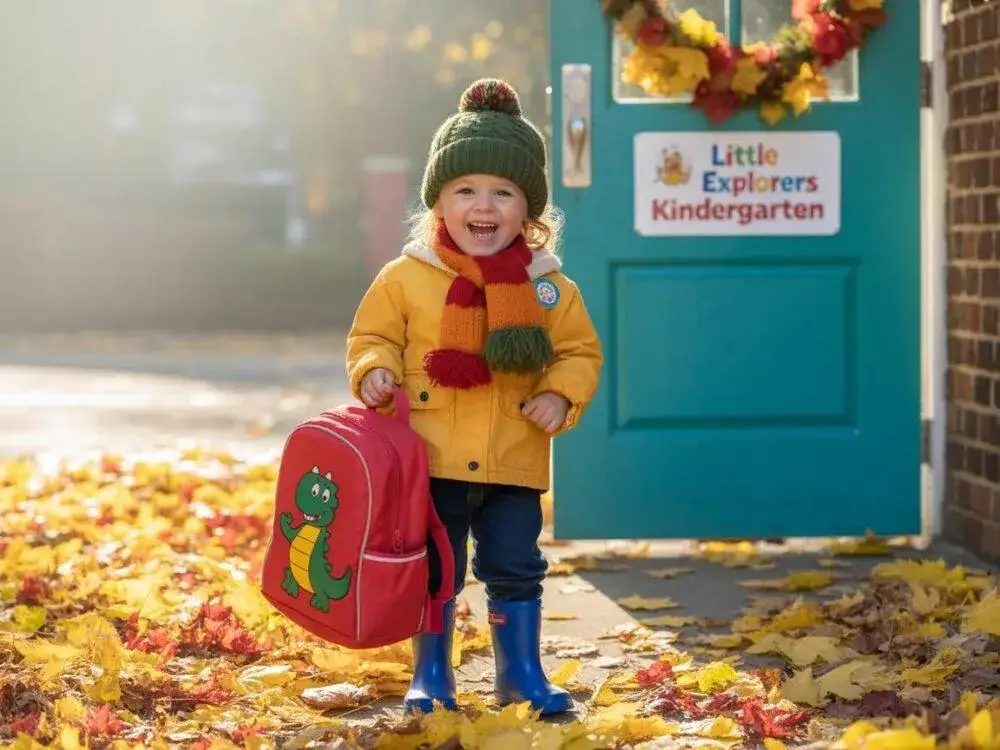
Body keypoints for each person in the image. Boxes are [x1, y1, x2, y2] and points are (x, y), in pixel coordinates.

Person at [345, 78, 602, 717]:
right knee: (436, 569)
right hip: (429, 462)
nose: (482, 205)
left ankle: (521, 676)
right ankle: (431, 674)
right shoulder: (406, 278)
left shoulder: (549, 289)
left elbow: (578, 352)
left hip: (513, 457)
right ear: (439, 204)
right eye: (465, 190)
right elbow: (371, 335)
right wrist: (375, 370)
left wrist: (559, 394)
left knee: (517, 565)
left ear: (527, 211)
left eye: (502, 192)